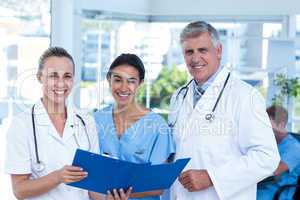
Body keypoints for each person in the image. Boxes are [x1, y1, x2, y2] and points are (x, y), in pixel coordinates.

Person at [168, 21, 280, 200]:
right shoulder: (179, 96)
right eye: (189, 52)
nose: (195, 58)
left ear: (218, 51)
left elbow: (267, 157)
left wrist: (212, 177)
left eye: (202, 50)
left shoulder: (245, 96)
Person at [4, 47, 131, 200]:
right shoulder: (21, 125)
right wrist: (58, 177)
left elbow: (92, 186)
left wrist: (107, 199)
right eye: (53, 76)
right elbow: (19, 190)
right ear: (39, 77)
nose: (60, 83)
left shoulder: (86, 122)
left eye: (67, 76)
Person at [93, 53, 175, 200]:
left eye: (131, 81)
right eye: (117, 80)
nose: (124, 88)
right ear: (109, 80)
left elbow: (158, 185)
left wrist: (116, 194)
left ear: (140, 83)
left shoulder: (157, 127)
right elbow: (88, 171)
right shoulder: (96, 120)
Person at [257, 105, 300, 200]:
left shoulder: (294, 148)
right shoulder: (270, 142)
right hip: (258, 188)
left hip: (274, 193)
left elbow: (274, 171)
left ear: (281, 124)